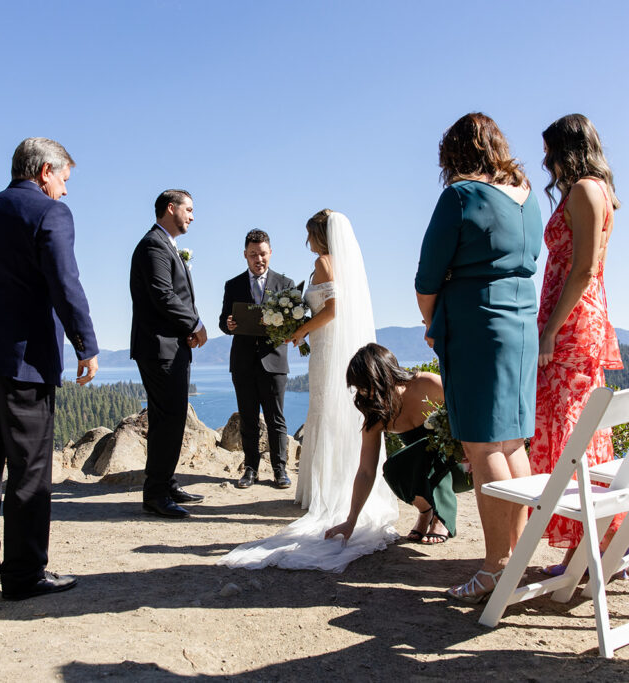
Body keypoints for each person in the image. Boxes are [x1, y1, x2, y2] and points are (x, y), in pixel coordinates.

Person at [0, 137, 98, 600]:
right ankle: (24, 574)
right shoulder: (50, 213)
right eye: (64, 180)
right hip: (22, 363)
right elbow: (64, 281)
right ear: (45, 171)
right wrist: (86, 344)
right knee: (29, 469)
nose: (66, 191)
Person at [219, 210, 399, 572]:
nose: (308, 242)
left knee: (316, 413)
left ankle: (311, 486)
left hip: (322, 348)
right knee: (325, 413)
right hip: (316, 349)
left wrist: (299, 332)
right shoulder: (337, 264)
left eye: (310, 235)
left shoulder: (320, 263)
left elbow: (330, 310)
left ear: (319, 236)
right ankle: (309, 486)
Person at [415, 113, 542, 603]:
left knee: (481, 445)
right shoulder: (527, 196)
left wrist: (431, 321)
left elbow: (428, 275)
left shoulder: (461, 196)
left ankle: (494, 567)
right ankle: (517, 556)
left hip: (475, 324)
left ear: (454, 152)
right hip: (520, 324)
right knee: (511, 441)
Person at [530, 114, 624, 575]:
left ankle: (591, 546)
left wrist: (549, 330)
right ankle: (594, 544)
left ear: (566, 148)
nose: (545, 159)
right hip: (571, 317)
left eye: (549, 150)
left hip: (571, 324)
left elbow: (585, 268)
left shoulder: (586, 190)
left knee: (573, 432)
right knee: (576, 428)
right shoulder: (594, 190)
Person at [129, 189, 207, 519]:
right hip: (159, 347)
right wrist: (196, 323)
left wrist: (187, 328)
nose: (192, 215)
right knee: (169, 418)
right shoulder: (153, 245)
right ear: (170, 208)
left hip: (171, 345)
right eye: (188, 209)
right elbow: (162, 295)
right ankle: (156, 494)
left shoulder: (166, 246)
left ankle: (166, 482)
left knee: (170, 418)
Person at [325, 344, 453, 544]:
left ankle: (441, 518)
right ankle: (425, 511)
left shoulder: (427, 383)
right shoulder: (376, 414)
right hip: (424, 468)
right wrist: (351, 520)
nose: (362, 393)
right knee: (393, 468)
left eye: (365, 385)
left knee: (428, 451)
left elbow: (468, 406)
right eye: (358, 388)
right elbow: (366, 471)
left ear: (382, 376)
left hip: (458, 460)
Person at [218, 229, 295, 489]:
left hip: (274, 362)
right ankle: (250, 469)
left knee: (276, 419)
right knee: (248, 419)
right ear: (245, 255)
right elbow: (223, 321)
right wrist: (227, 323)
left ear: (270, 253)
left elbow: (295, 323)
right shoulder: (233, 285)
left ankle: (280, 470)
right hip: (242, 363)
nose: (258, 259)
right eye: (253, 255)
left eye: (262, 254)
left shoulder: (286, 284)